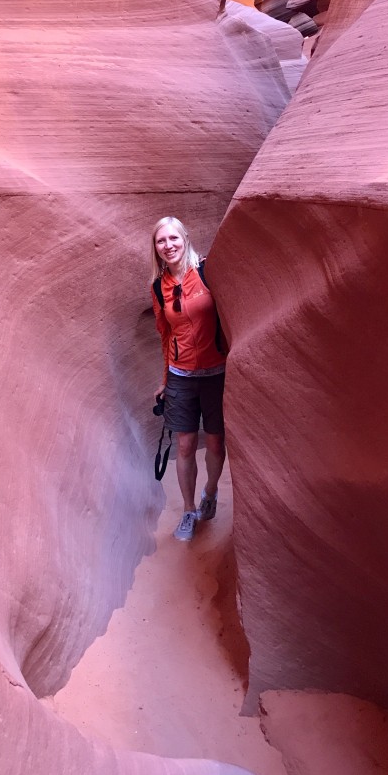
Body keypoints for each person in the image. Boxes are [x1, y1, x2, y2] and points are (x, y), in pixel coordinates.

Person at [150, 216, 226, 542]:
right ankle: (188, 509)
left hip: (217, 373)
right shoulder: (158, 287)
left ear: (185, 238)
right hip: (181, 376)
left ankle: (210, 492)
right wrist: (166, 379)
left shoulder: (208, 272)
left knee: (216, 443)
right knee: (184, 445)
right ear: (155, 248)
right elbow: (165, 335)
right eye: (161, 241)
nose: (168, 246)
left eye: (173, 238)